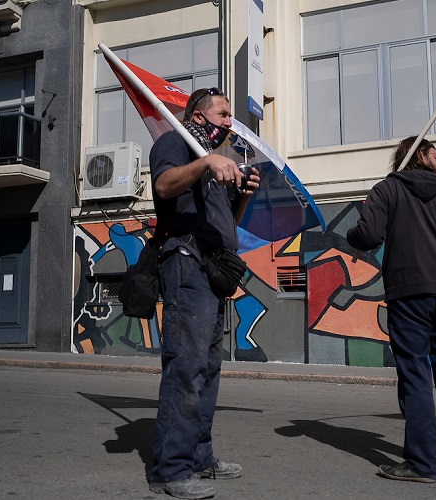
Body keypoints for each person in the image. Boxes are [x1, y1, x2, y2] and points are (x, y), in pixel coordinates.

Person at [347, 136, 436, 483]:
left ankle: (422, 463)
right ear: (421, 154)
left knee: (416, 375)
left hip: (409, 294)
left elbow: (369, 235)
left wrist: (353, 233)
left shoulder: (387, 190)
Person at [147, 87, 260, 500]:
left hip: (213, 269)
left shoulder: (217, 160)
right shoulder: (174, 142)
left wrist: (243, 197)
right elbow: (163, 186)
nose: (230, 122)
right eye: (223, 114)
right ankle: (171, 470)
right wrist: (206, 162)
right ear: (198, 114)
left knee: (209, 369)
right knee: (187, 366)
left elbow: (226, 223)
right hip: (186, 263)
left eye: (230, 116)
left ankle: (200, 457)